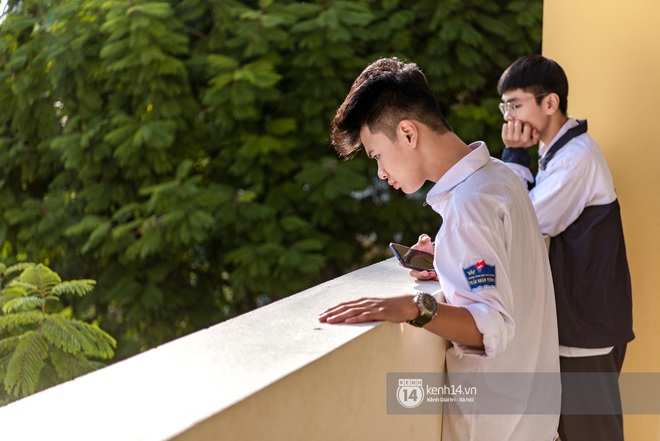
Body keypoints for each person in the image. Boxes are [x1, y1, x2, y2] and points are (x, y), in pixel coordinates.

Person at [318, 57, 561, 441]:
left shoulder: (469, 207)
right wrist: (446, 260)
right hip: (534, 417)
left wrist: (416, 307)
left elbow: (491, 327)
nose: (381, 173)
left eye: (377, 155)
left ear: (408, 133)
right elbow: (503, 266)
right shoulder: (500, 177)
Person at [497, 54, 634, 441]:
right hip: (579, 324)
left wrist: (514, 154)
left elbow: (525, 222)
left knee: (593, 433)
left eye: (516, 104)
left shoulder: (576, 158)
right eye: (505, 106)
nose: (509, 117)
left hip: (585, 329)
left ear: (550, 103)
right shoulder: (558, 153)